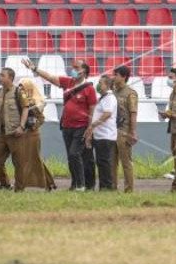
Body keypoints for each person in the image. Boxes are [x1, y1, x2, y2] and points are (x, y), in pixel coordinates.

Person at [22, 57, 96, 192]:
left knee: (75, 154)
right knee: (70, 156)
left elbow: (92, 110)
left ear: (84, 72)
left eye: (76, 68)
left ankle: (81, 184)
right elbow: (50, 77)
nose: (73, 70)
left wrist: (90, 129)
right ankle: (75, 183)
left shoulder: (89, 89)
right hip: (67, 126)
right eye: (73, 67)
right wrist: (34, 68)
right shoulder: (68, 82)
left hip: (81, 127)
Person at [16, 77, 57, 192]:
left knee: (33, 159)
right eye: (19, 87)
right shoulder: (22, 101)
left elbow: (41, 119)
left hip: (32, 135)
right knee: (28, 159)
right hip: (25, 134)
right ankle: (48, 183)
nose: (20, 90)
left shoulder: (34, 102)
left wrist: (33, 127)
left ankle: (22, 185)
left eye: (22, 87)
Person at [0, 67, 26, 191]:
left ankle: (19, 188)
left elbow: (25, 108)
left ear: (10, 78)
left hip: (15, 132)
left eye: (2, 75)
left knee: (18, 161)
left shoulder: (18, 92)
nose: (0, 77)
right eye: (0, 75)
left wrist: (21, 126)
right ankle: (5, 184)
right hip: (2, 132)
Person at [84, 75, 118, 190]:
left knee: (104, 162)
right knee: (100, 161)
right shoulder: (102, 98)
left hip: (106, 135)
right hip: (99, 135)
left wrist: (93, 125)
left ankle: (107, 186)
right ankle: (102, 186)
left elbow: (107, 114)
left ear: (107, 85)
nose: (98, 85)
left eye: (100, 83)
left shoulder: (110, 98)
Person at [111, 65, 139, 193]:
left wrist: (132, 132)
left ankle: (129, 189)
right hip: (112, 130)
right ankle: (112, 187)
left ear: (123, 77)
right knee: (112, 161)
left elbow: (133, 113)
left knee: (126, 162)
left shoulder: (130, 93)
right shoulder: (113, 93)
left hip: (124, 130)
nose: (114, 77)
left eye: (116, 75)